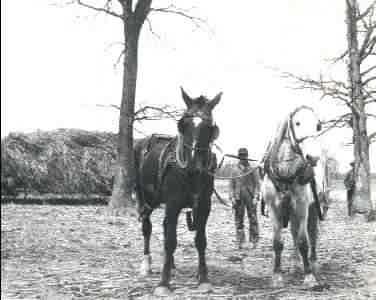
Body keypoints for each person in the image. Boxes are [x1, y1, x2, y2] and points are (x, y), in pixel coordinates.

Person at [229, 148, 261, 249]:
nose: (243, 158)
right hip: (238, 197)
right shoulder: (234, 170)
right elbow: (231, 185)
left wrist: (256, 197)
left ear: (247, 156)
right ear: (239, 157)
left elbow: (257, 185)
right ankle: (241, 241)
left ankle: (254, 241)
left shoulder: (252, 169)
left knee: (253, 219)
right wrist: (232, 197)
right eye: (241, 156)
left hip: (250, 197)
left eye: (244, 156)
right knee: (239, 220)